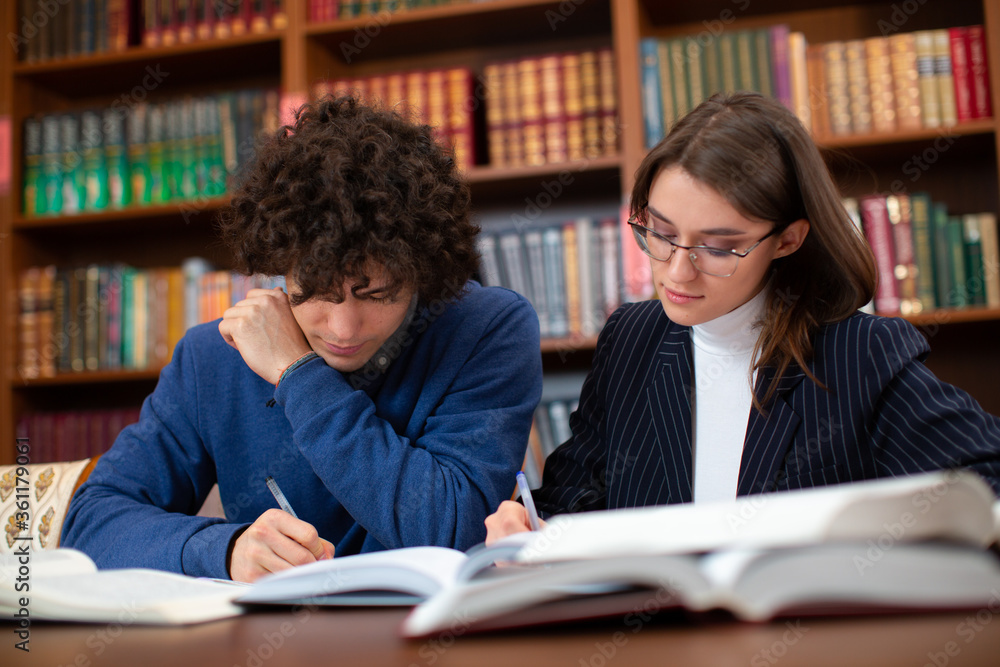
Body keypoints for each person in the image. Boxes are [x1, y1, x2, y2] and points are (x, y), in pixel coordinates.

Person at [62, 95, 543, 582]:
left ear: (421, 271)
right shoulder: (211, 359)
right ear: (281, 264)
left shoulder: (486, 328)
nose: (344, 329)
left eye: (377, 295)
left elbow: (453, 531)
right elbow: (91, 525)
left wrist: (297, 373)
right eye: (317, 293)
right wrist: (226, 551)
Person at [486, 91, 1000, 542]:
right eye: (661, 234)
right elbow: (577, 495)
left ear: (787, 240)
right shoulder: (631, 340)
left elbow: (986, 482)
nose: (677, 274)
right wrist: (533, 527)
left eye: (717, 248)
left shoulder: (860, 355)